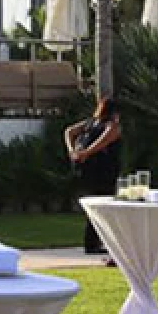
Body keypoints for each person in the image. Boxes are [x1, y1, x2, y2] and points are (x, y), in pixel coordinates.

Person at [64, 96, 122, 257]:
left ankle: (93, 242)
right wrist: (85, 153)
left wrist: (73, 152)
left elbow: (69, 131)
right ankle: (93, 243)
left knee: (96, 206)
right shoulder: (111, 126)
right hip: (103, 170)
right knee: (102, 206)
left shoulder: (90, 123)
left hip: (87, 170)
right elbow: (105, 140)